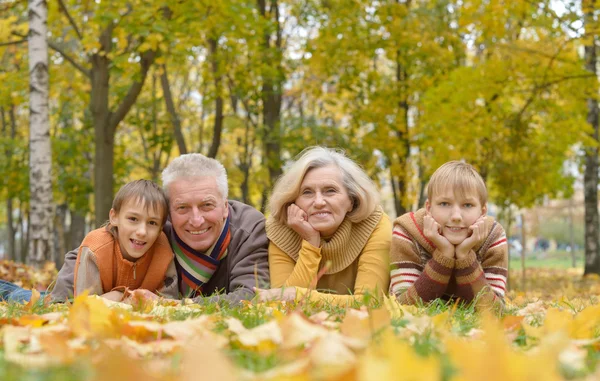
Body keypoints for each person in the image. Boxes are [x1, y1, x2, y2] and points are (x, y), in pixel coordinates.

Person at [50, 153, 270, 304]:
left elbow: (252, 295)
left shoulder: (249, 230)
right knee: (28, 296)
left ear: (224, 206)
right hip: (103, 296)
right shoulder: (154, 226)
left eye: (207, 205)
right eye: (182, 207)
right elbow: (94, 246)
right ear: (168, 212)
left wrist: (176, 307)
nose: (196, 220)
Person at [256, 147, 391, 306]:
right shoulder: (280, 228)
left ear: (351, 201)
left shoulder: (376, 225)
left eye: (330, 191)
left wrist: (297, 295)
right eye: (307, 192)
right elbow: (281, 306)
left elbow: (369, 302)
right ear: (293, 200)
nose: (319, 202)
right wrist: (311, 244)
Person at [389, 161, 508, 311]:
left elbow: (495, 311)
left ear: (483, 211)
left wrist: (464, 256)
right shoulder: (407, 231)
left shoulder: (493, 236)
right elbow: (402, 307)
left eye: (467, 205)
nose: (456, 216)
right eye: (445, 204)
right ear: (429, 208)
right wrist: (444, 255)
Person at [73, 180, 178, 301]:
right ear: (114, 217)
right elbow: (84, 305)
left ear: (160, 229)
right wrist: (121, 296)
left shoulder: (163, 250)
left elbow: (170, 302)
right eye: (133, 219)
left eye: (152, 223)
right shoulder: (95, 248)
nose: (142, 231)